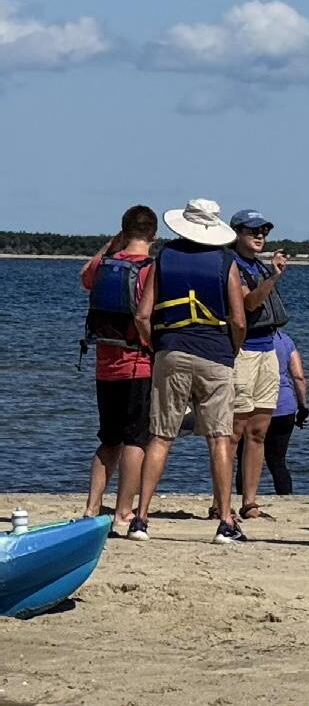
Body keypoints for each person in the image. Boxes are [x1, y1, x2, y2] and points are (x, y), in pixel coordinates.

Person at [127, 198, 247, 544]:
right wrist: (232, 349)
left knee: (161, 435)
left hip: (172, 351)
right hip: (216, 354)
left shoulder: (164, 257)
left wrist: (156, 345)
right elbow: (238, 319)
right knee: (219, 437)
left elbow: (142, 315)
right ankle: (225, 521)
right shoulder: (226, 262)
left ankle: (141, 519)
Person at [81, 205, 157, 532]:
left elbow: (84, 276)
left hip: (105, 365)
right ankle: (123, 511)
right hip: (138, 364)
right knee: (136, 440)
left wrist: (112, 245)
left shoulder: (102, 266)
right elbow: (146, 315)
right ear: (153, 236)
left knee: (109, 440)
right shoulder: (150, 269)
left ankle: (91, 507)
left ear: (123, 232)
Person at [228, 208, 288, 520]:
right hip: (244, 352)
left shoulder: (258, 266)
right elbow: (249, 303)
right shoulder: (232, 265)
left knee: (259, 430)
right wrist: (274, 277)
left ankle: (250, 502)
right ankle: (222, 501)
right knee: (234, 431)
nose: (260, 235)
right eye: (253, 231)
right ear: (237, 233)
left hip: (267, 351)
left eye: (264, 230)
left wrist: (271, 273)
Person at [235, 330, 309, 495]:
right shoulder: (285, 340)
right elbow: (298, 377)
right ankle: (285, 497)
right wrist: (303, 406)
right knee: (277, 461)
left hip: (251, 406)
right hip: (283, 407)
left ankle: (244, 497)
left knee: (243, 458)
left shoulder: (244, 338)